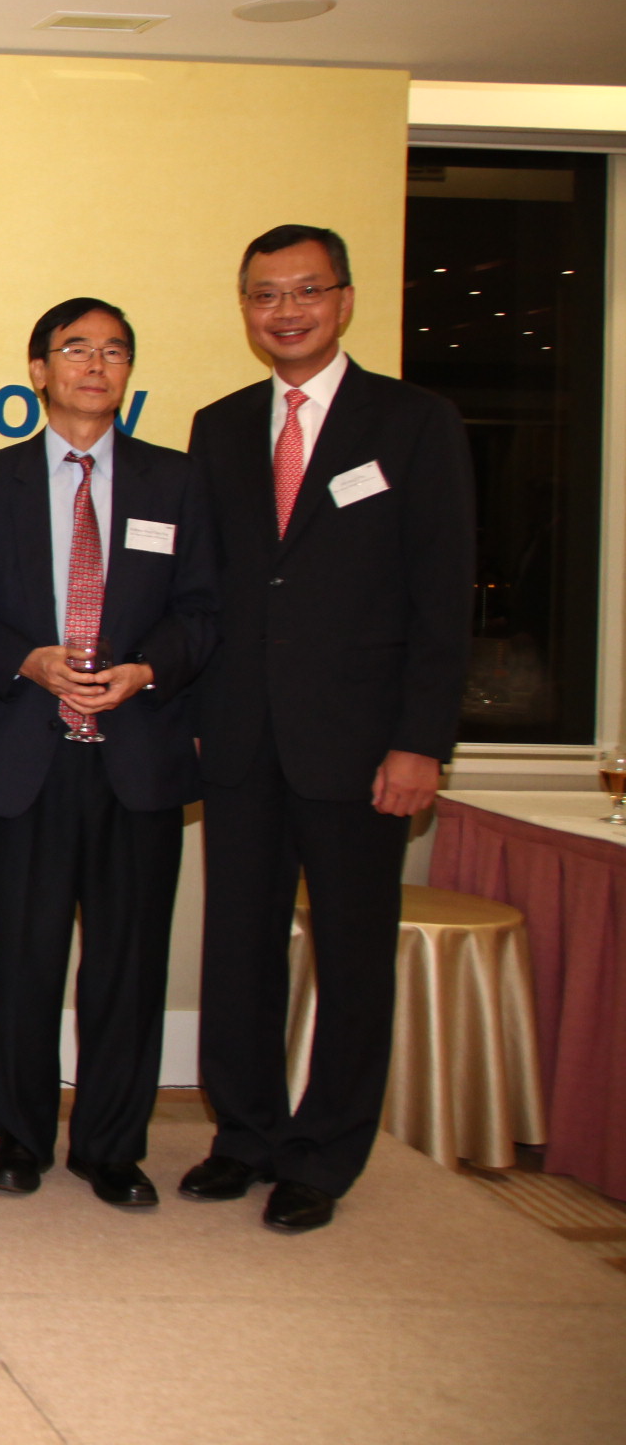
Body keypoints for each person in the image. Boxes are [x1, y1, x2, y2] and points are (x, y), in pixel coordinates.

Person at [180, 224, 474, 1233]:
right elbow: (208, 592)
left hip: (362, 744)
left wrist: (420, 739)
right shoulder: (219, 427)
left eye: (306, 290)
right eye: (265, 294)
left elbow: (442, 597)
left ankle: (325, 1150)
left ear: (345, 300)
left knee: (351, 952)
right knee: (240, 944)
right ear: (246, 307)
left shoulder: (414, 421)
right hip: (241, 737)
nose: (286, 310)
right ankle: (244, 1132)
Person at [0, 298, 216, 1209]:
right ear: (37, 370)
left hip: (138, 757)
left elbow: (207, 612)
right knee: (22, 959)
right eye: (75, 350)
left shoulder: (178, 483)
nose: (95, 365)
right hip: (26, 754)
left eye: (114, 351)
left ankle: (111, 1145)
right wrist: (25, 659)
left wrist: (147, 670)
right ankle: (17, 1138)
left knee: (128, 966)